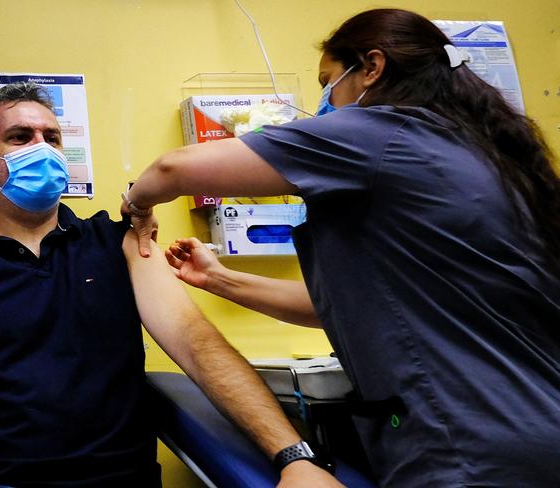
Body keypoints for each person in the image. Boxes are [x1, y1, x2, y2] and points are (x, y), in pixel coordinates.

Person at [121, 8, 560, 488]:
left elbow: (173, 170)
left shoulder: (383, 134)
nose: (325, 101)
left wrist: (137, 203)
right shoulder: (486, 155)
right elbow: (356, 307)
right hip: (534, 418)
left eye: (329, 81)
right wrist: (221, 279)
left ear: (372, 67)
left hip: (469, 438)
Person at [0, 82, 344, 487]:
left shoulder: (119, 241)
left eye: (53, 138)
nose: (42, 149)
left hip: (118, 479)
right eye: (21, 137)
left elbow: (194, 342)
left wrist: (294, 456)